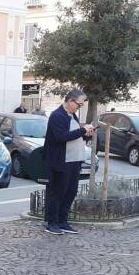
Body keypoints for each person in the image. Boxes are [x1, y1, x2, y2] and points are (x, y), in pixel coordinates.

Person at [43, 89, 94, 235]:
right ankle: (52, 223)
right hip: (61, 161)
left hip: (75, 160)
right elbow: (61, 137)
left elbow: (76, 136)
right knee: (58, 192)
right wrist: (82, 130)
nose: (80, 107)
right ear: (70, 100)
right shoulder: (57, 116)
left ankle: (63, 221)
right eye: (79, 104)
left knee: (70, 192)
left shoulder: (72, 115)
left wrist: (87, 135)